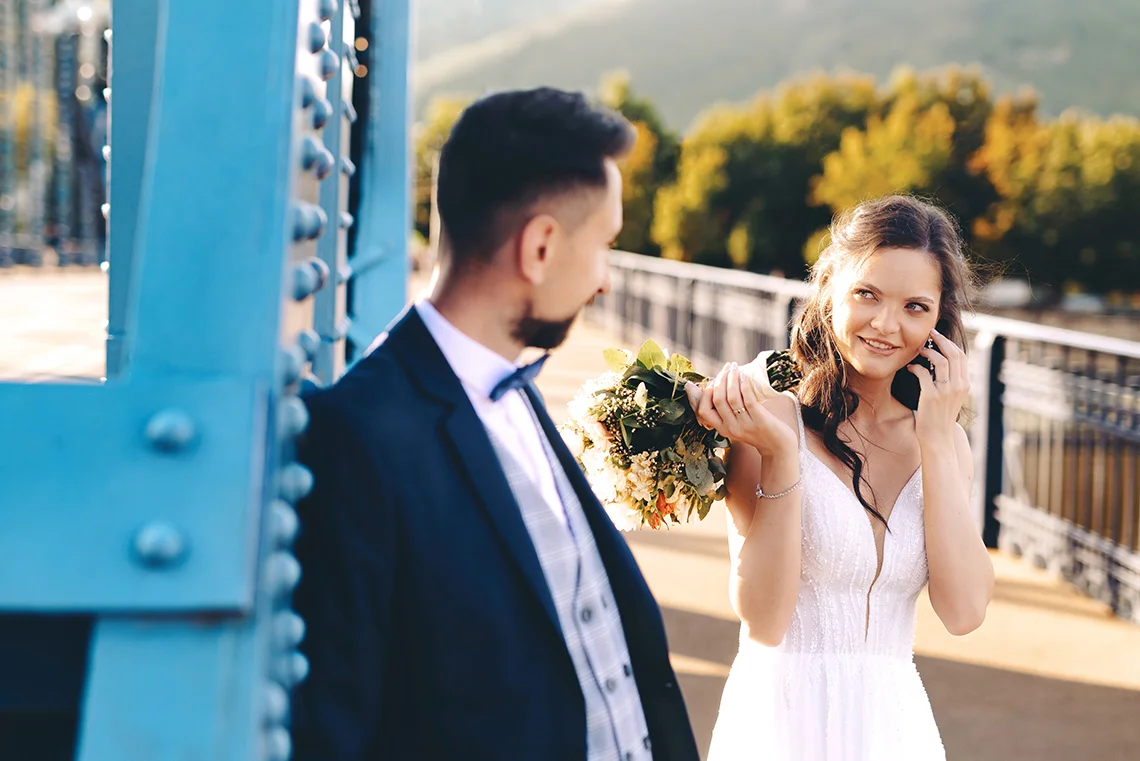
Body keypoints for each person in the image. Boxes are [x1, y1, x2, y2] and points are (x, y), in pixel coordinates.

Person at [290, 87, 700, 761]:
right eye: (605, 244)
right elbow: (340, 726)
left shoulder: (517, 385)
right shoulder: (357, 437)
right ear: (540, 247)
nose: (604, 280)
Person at [687, 195, 995, 761]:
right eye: (866, 294)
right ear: (829, 286)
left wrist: (935, 439)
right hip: (782, 722)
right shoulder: (767, 414)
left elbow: (964, 612)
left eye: (915, 306)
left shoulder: (946, 441)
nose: (886, 325)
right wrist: (782, 455)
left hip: (894, 728)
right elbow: (764, 621)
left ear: (939, 321)